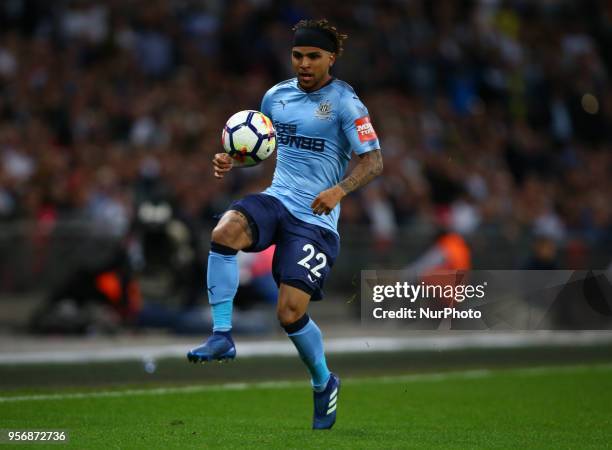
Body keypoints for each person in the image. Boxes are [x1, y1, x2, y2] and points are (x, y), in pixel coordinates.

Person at [187, 18, 383, 430]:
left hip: (317, 218)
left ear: (331, 58)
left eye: (313, 56)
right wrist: (231, 158)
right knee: (224, 232)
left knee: (290, 313)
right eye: (298, 55)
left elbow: (374, 160)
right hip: (279, 198)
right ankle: (222, 335)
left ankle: (323, 381)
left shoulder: (347, 102)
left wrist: (340, 191)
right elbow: (258, 147)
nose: (304, 64)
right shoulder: (276, 97)